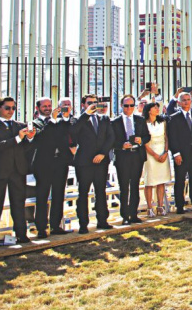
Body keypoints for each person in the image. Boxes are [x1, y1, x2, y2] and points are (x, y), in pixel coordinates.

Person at [0, 97, 37, 244]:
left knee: (18, 204)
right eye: (7, 108)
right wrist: (18, 138)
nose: (10, 111)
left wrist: (30, 138)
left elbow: (26, 149)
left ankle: (21, 235)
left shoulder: (20, 126)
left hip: (18, 170)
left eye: (13, 108)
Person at [69, 95, 116, 233]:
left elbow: (110, 137)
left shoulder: (104, 118)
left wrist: (102, 153)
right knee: (83, 192)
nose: (93, 105)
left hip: (101, 161)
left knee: (101, 191)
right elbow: (73, 132)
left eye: (95, 103)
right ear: (83, 104)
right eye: (90, 103)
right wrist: (86, 114)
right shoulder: (78, 119)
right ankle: (83, 224)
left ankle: (102, 220)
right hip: (84, 162)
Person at [29, 97, 74, 237]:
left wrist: (65, 118)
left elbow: (68, 132)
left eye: (49, 105)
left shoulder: (58, 121)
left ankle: (56, 226)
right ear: (38, 108)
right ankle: (41, 228)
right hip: (43, 165)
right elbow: (40, 138)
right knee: (42, 196)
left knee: (59, 194)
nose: (48, 108)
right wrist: (52, 121)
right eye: (44, 106)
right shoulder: (35, 123)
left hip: (60, 162)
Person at [111, 94, 151, 225]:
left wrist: (141, 140)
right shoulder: (115, 122)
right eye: (126, 105)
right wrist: (121, 145)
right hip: (123, 156)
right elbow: (110, 141)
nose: (129, 108)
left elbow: (147, 136)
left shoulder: (140, 120)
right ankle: (125, 215)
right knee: (124, 187)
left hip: (136, 156)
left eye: (132, 105)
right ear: (121, 106)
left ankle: (134, 214)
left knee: (135, 186)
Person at [167, 92, 192, 214]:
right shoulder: (174, 118)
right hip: (181, 155)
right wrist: (176, 153)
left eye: (188, 99)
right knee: (180, 181)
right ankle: (179, 206)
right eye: (183, 100)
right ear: (179, 102)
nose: (186, 102)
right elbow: (172, 137)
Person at [142, 102, 171, 217]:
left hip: (162, 151)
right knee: (150, 181)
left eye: (157, 108)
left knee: (161, 181)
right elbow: (145, 142)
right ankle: (149, 207)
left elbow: (166, 137)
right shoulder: (144, 123)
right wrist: (154, 155)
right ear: (149, 110)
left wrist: (165, 152)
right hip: (150, 153)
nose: (157, 109)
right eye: (154, 107)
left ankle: (160, 205)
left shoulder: (162, 122)